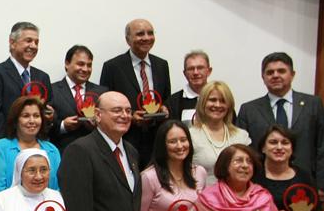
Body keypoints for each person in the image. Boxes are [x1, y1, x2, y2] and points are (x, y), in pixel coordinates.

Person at [236, 52, 324, 193]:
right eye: (270, 72)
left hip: (305, 184)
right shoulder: (249, 109)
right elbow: (243, 150)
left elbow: (323, 146)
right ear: (263, 77)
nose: (275, 75)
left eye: (281, 71)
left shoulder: (313, 104)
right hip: (260, 186)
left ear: (292, 74)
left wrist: (323, 186)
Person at [98, 18, 171, 166]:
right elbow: (104, 105)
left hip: (156, 140)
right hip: (126, 139)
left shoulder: (162, 65)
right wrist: (130, 117)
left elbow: (165, 98)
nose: (146, 38)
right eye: (140, 34)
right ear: (128, 39)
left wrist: (163, 109)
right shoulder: (113, 67)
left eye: (150, 33)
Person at [0, 21, 53, 140]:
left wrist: (51, 116)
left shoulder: (43, 77)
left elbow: (49, 112)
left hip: (38, 145)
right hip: (8, 144)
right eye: (28, 40)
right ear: (12, 42)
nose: (33, 46)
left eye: (36, 42)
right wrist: (5, 146)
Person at [0, 96, 60, 200]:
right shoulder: (1, 147)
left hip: (45, 210)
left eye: (36, 116)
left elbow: (56, 190)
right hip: (10, 210)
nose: (32, 121)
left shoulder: (52, 150)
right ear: (15, 120)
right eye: (26, 116)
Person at [190, 81, 250, 185]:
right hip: (202, 198)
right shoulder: (190, 136)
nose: (217, 105)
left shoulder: (241, 136)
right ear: (203, 103)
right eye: (212, 100)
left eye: (223, 101)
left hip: (236, 198)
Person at [48, 45, 107, 149]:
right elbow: (44, 126)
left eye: (89, 65)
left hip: (95, 151)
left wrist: (98, 124)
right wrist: (63, 126)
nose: (85, 69)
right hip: (63, 151)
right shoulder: (51, 90)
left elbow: (109, 123)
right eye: (80, 64)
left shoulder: (102, 92)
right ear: (67, 64)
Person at [166, 50, 212, 125]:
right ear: (185, 73)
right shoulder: (173, 102)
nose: (195, 73)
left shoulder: (220, 99)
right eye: (191, 69)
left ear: (209, 71)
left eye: (200, 68)